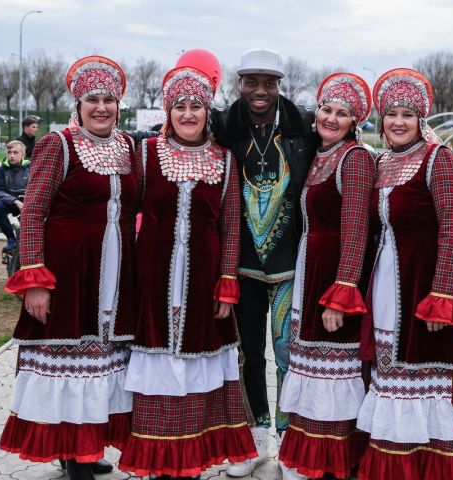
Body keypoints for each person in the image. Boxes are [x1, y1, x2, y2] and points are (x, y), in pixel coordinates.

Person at [0, 55, 138, 480]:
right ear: (77, 104)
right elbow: (34, 213)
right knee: (70, 360)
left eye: (109, 100)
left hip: (114, 274)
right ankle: (74, 458)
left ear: (119, 104)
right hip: (69, 274)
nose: (101, 107)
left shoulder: (128, 146)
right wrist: (36, 279)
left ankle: (86, 445)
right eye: (92, 99)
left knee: (103, 362)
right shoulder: (57, 144)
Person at [118, 64, 256, 479]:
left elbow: (231, 227)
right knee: (157, 362)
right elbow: (124, 212)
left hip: (204, 279)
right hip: (153, 278)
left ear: (207, 112)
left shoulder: (225, 161)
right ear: (168, 110)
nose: (189, 114)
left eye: (197, 106)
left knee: (198, 364)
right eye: (180, 106)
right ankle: (160, 460)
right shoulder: (145, 154)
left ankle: (192, 460)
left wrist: (226, 282)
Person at [356, 68, 453, 480]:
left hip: (423, 284)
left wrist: (441, 293)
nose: (398, 122)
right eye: (391, 114)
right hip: (387, 282)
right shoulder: (382, 161)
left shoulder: (438, 159)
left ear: (420, 118)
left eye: (407, 114)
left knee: (427, 376)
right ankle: (394, 465)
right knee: (389, 373)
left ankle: (431, 468)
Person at [211, 48, 317, 476]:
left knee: (288, 353)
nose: (260, 91)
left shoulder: (303, 126)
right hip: (240, 265)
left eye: (268, 83)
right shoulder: (222, 126)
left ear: (279, 86)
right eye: (251, 82)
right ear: (239, 83)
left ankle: (289, 443)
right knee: (248, 354)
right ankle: (254, 443)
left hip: (292, 263)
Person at [277, 73, 374, 480]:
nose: (331, 118)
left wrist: (342, 293)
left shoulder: (354, 158)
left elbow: (356, 229)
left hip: (335, 275)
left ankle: (337, 461)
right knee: (315, 366)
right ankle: (315, 456)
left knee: (336, 370)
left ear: (355, 122)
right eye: (326, 109)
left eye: (342, 113)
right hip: (312, 269)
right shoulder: (322, 155)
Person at [0, 140, 29, 250]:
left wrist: (26, 200)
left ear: (23, 154)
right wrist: (15, 201)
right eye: (9, 152)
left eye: (15, 152)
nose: (12, 155)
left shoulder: (31, 168)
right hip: (10, 202)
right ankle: (11, 238)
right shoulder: (1, 170)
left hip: (28, 201)